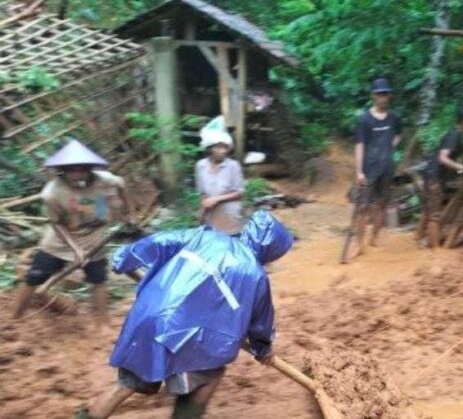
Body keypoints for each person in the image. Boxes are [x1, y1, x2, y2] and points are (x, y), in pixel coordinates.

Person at [76, 211, 292, 419]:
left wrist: (125, 257)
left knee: (125, 386)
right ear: (271, 250)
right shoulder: (255, 275)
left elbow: (160, 241)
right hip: (188, 337)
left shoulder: (205, 236)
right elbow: (260, 323)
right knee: (208, 375)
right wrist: (263, 349)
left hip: (149, 318)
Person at [13, 140, 134, 326]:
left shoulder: (106, 180)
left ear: (89, 168)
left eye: (81, 169)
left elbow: (122, 185)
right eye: (72, 170)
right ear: (63, 170)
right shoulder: (52, 193)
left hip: (94, 238)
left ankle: (102, 324)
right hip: (59, 241)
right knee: (33, 277)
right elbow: (56, 224)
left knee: (98, 280)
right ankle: (15, 319)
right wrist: (76, 249)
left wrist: (130, 213)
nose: (77, 174)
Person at [353, 77, 403, 254]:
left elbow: (399, 135)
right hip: (369, 169)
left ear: (389, 96)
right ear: (373, 95)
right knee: (362, 206)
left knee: (382, 204)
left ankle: (374, 236)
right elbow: (359, 145)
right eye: (380, 94)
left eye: (386, 94)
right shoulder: (364, 120)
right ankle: (360, 244)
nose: (383, 97)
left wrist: (388, 148)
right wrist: (359, 171)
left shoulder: (394, 117)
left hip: (387, 169)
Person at [419, 107, 463, 248]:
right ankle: (435, 250)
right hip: (434, 176)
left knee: (429, 209)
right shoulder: (453, 136)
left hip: (434, 175)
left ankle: (417, 237)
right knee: (434, 214)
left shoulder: (457, 135)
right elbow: (443, 158)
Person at [195, 130, 245, 235]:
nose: (223, 151)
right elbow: (202, 193)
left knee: (231, 243)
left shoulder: (233, 166)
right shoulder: (200, 166)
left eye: (225, 147)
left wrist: (216, 199)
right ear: (210, 149)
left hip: (229, 215)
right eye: (218, 147)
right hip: (210, 215)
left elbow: (240, 193)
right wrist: (201, 216)